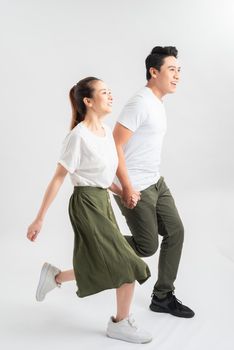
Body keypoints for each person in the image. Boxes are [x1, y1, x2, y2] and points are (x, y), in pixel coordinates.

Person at [26, 77, 152, 344]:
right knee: (127, 263)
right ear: (88, 101)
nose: (111, 96)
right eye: (104, 92)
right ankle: (120, 323)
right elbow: (59, 177)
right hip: (85, 205)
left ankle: (55, 277)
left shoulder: (106, 133)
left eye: (110, 91)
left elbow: (102, 177)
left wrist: (123, 192)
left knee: (107, 262)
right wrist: (39, 218)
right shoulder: (78, 136)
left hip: (101, 202)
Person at [112, 46, 195, 318]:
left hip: (156, 182)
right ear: (154, 71)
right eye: (172, 69)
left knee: (176, 231)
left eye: (179, 70)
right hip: (135, 186)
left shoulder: (157, 102)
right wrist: (126, 187)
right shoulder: (140, 103)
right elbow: (115, 146)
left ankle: (162, 297)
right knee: (147, 246)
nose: (177, 76)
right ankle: (98, 242)